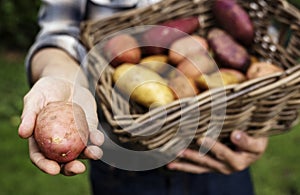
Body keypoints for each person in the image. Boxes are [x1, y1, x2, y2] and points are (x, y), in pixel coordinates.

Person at [18, 0, 268, 194]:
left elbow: (257, 35)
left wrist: (256, 125)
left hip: (218, 156)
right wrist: (61, 77)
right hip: (123, 162)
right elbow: (57, 38)